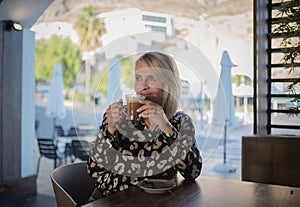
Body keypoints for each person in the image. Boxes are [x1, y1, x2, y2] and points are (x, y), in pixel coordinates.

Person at [88, 52, 202, 198]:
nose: (143, 86)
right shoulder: (119, 117)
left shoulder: (180, 122)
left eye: (152, 78)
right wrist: (109, 130)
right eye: (138, 78)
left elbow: (193, 172)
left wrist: (165, 127)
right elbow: (94, 170)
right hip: (110, 201)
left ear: (169, 84)